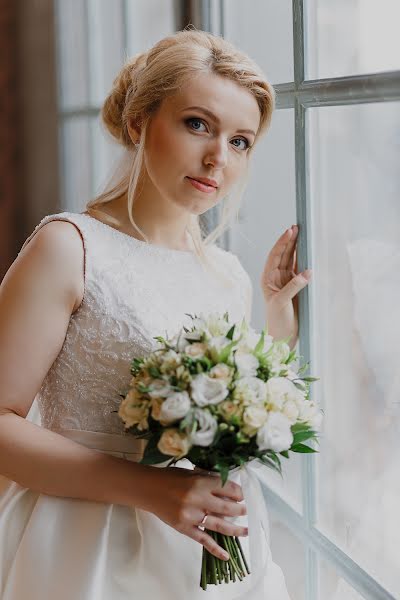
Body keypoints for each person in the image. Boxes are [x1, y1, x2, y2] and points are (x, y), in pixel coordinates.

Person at [0, 28, 310, 599]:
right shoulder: (70, 246)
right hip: (83, 549)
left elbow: (230, 419)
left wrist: (275, 317)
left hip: (205, 557)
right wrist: (150, 489)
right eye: (198, 124)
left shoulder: (228, 275)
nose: (219, 157)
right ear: (140, 122)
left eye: (241, 141)